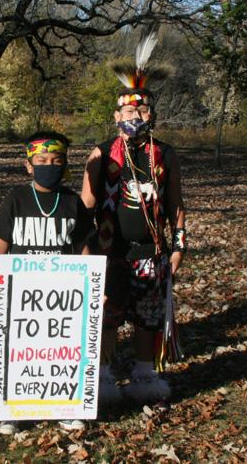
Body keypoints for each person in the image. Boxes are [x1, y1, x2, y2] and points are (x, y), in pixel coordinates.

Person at [81, 32, 186, 405]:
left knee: (148, 316)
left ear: (152, 114)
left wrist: (179, 245)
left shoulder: (165, 154)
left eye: (142, 111)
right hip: (109, 250)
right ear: (116, 115)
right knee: (106, 314)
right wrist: (82, 247)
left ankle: (145, 374)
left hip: (151, 252)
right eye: (128, 112)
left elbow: (175, 204)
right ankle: (104, 376)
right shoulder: (102, 152)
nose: (135, 117)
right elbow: (86, 204)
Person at [0, 131, 94, 435]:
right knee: (16, 351)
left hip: (62, 295)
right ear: (29, 165)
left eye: (56, 160)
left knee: (58, 351)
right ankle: (10, 409)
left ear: (65, 164)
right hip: (18, 292)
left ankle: (64, 406)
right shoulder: (16, 199)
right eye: (42, 160)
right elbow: (0, 246)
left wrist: (94, 287)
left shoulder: (72, 202)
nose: (49, 165)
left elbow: (84, 246)